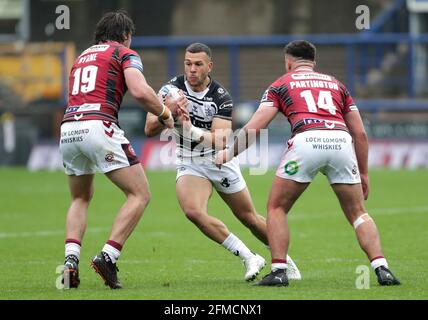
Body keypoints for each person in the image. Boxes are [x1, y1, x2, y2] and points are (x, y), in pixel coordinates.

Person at [216, 40, 401, 287]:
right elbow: (360, 133)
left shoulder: (281, 84)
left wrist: (230, 153)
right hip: (341, 142)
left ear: (288, 61)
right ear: (313, 62)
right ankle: (382, 268)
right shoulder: (337, 85)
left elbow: (256, 125)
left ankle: (280, 271)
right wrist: (364, 172)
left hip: (307, 141)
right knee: (358, 213)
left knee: (276, 208)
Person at [145, 43, 301, 282]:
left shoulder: (220, 96)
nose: (192, 70)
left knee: (248, 217)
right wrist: (167, 110)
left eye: (198, 64)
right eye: (188, 64)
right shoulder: (170, 89)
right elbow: (149, 128)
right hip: (189, 161)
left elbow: (220, 140)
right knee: (193, 211)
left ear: (210, 66)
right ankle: (249, 256)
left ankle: (284, 260)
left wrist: (190, 129)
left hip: (218, 161)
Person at [59, 11, 174, 289]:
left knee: (80, 198)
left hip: (69, 128)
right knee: (139, 194)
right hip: (99, 126)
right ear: (126, 36)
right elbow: (140, 91)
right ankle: (108, 257)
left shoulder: (81, 57)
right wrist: (164, 112)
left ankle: (70, 263)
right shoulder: (123, 52)